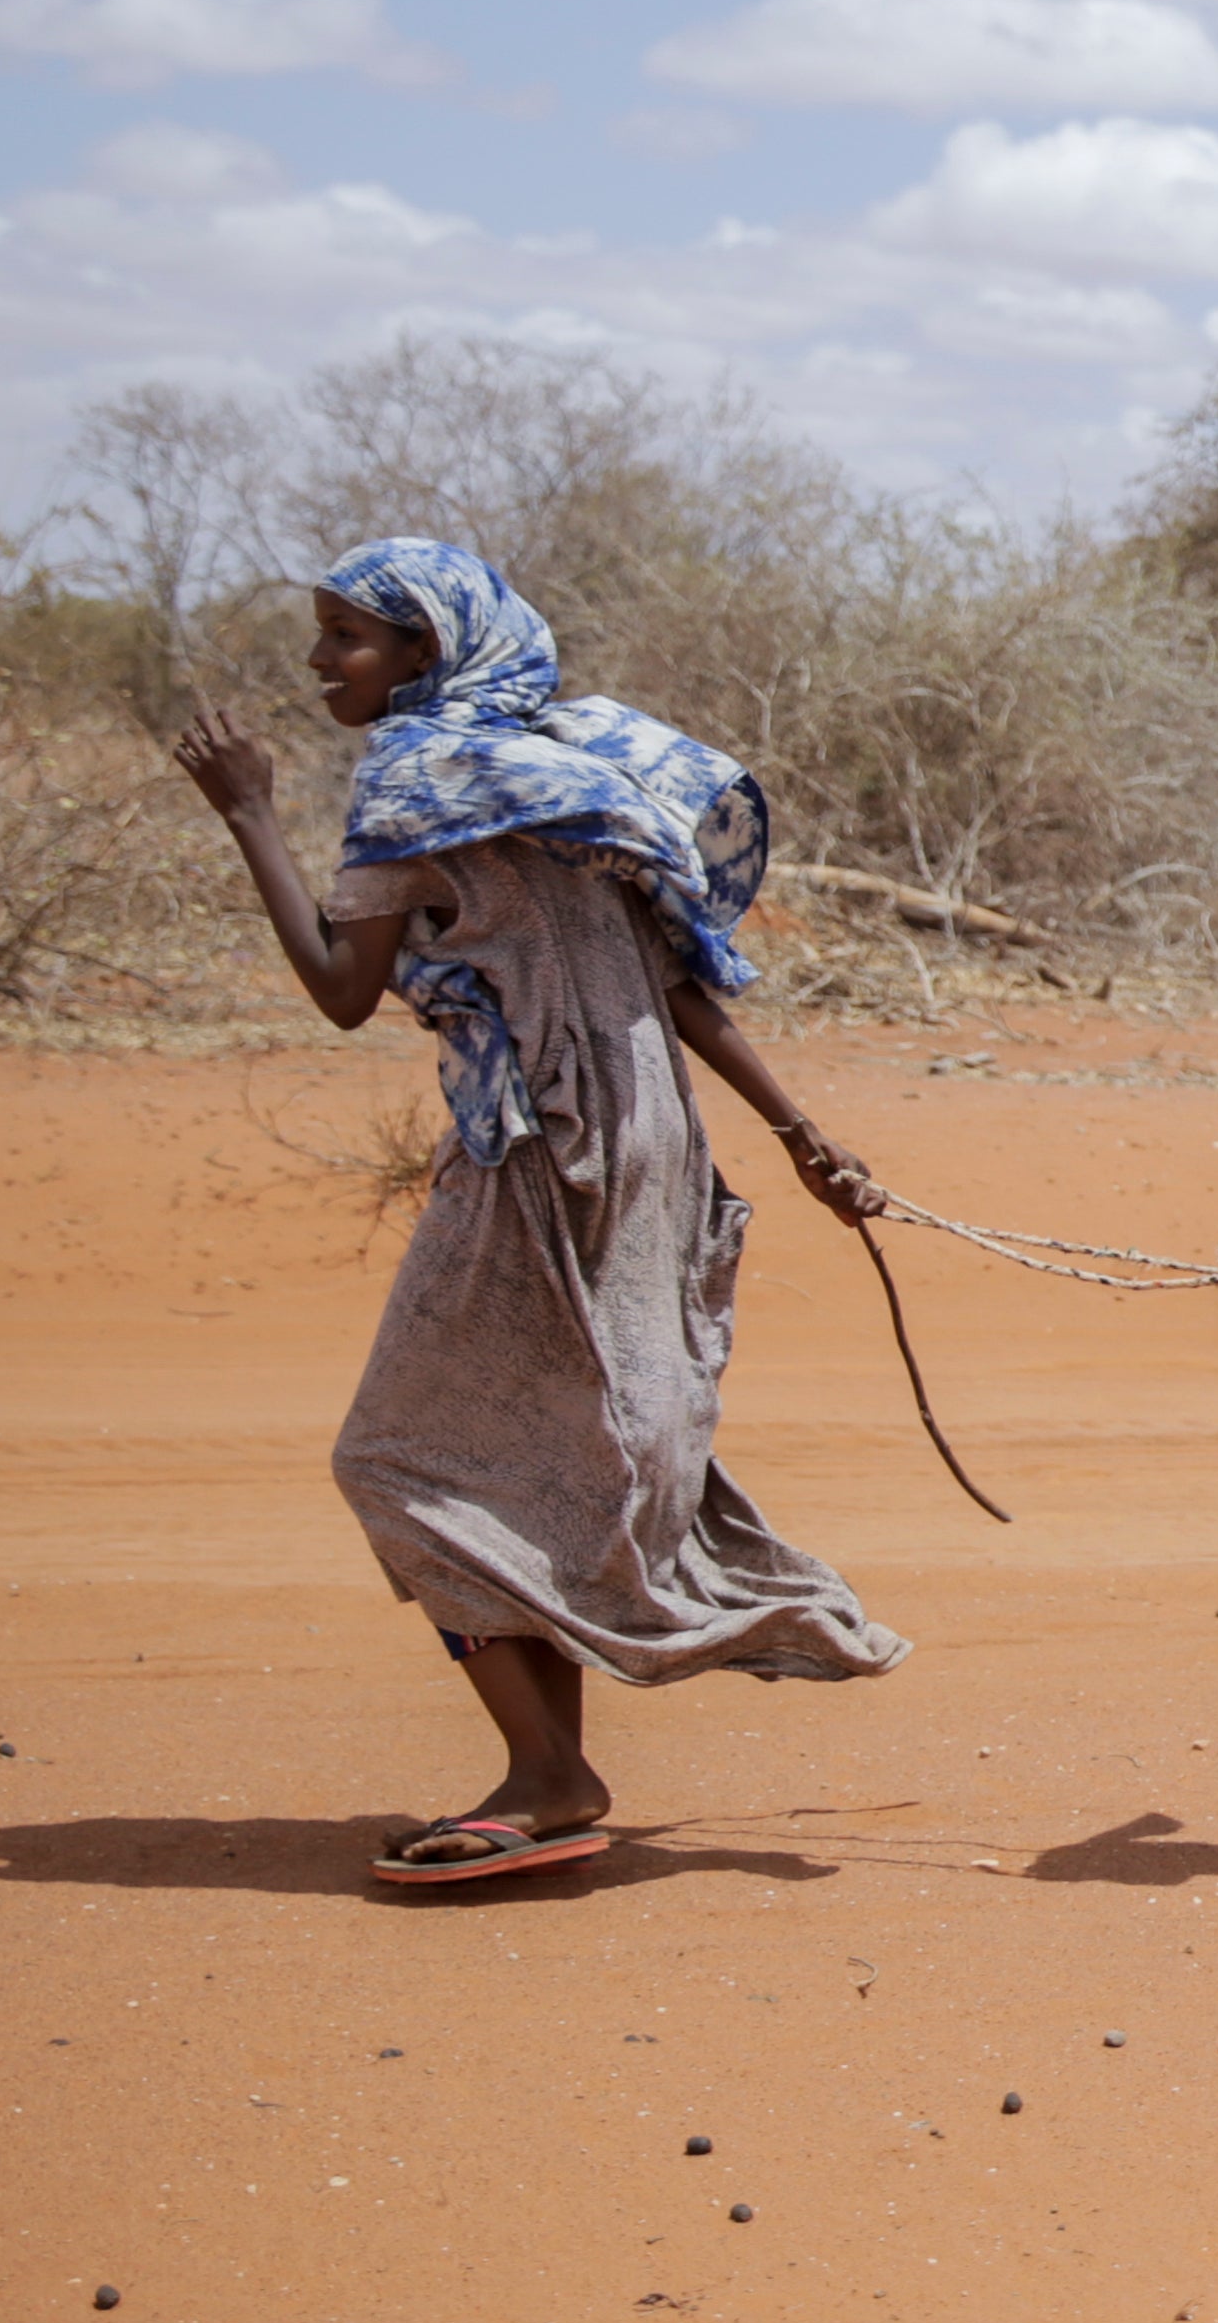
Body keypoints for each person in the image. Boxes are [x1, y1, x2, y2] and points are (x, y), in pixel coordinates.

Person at [176, 539, 904, 1887]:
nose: (319, 661)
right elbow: (676, 981)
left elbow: (345, 987)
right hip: (647, 1141)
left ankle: (553, 1771)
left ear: (423, 652)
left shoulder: (414, 777)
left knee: (395, 1457)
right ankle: (547, 1774)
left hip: (535, 1148)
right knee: (553, 1444)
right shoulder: (579, 763)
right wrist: (805, 1134)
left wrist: (250, 813)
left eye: (345, 637)